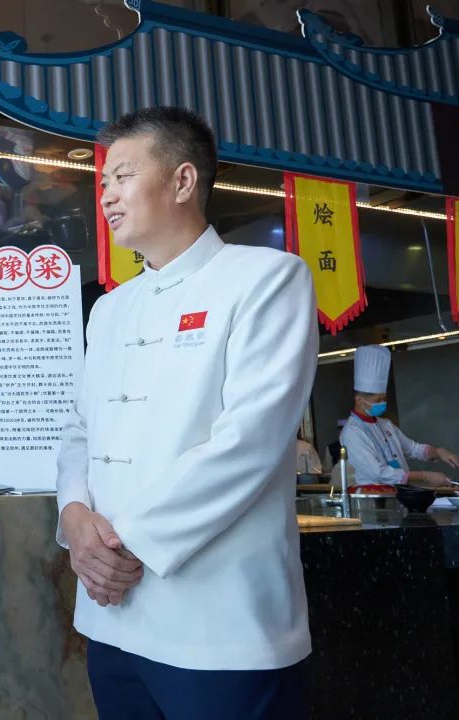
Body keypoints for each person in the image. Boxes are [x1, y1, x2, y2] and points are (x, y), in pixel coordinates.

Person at [55, 106, 319, 719]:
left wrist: (121, 546)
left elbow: (250, 441)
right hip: (111, 618)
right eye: (103, 182)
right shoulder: (108, 310)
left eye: (122, 177)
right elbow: (79, 429)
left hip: (221, 623)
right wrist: (72, 515)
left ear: (182, 181)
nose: (106, 195)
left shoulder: (266, 278)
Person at [340, 344, 458, 487]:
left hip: (400, 492)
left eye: (384, 399)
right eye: (378, 400)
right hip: (375, 496)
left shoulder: (385, 424)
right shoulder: (352, 432)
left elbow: (413, 449)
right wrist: (424, 476)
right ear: (359, 400)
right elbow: (377, 473)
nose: (383, 403)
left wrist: (439, 452)